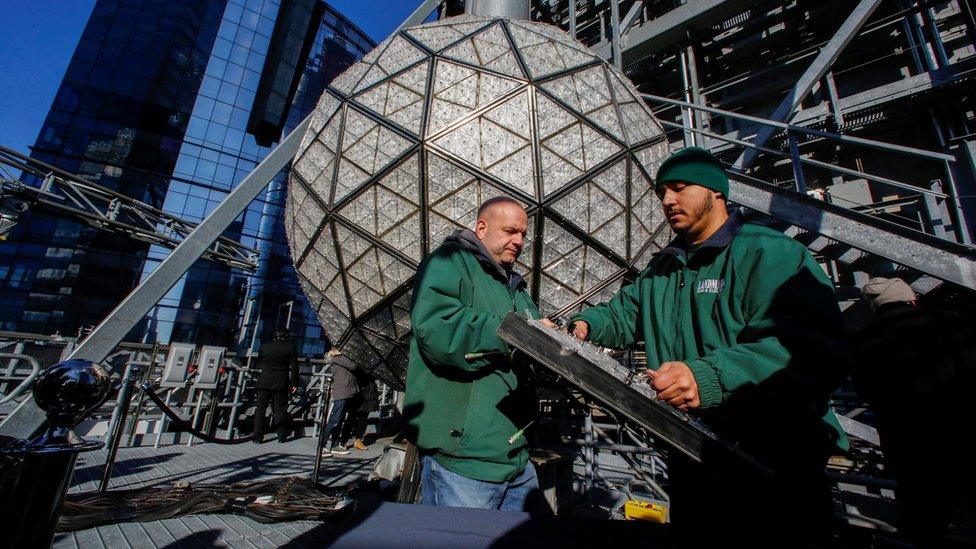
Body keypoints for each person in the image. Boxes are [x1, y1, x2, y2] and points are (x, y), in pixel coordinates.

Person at [569, 147, 850, 543]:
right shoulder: (662, 270)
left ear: (716, 192)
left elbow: (810, 348)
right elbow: (621, 315)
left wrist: (706, 378)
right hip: (693, 451)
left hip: (774, 460)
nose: (667, 200)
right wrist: (581, 324)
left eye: (680, 188)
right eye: (663, 191)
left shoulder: (769, 254)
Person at [403, 196, 546, 511]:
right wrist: (517, 334)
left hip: (517, 459)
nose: (519, 241)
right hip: (463, 462)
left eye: (523, 234)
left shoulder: (516, 290)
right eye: (510, 231)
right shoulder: (448, 263)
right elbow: (440, 330)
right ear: (481, 228)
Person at [853, 277, 976, 544]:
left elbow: (864, 389)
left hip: (905, 438)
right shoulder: (946, 321)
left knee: (923, 518)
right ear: (912, 299)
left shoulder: (864, 338)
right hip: (960, 428)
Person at [254, 328, 299, 443]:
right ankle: (281, 436)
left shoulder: (265, 346)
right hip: (281, 382)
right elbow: (294, 368)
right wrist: (294, 383)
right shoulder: (290, 347)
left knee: (260, 410)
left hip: (264, 380)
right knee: (280, 409)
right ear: (286, 335)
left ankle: (257, 437)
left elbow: (259, 360)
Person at [322, 346, 360, 456]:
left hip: (347, 392)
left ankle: (334, 445)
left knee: (339, 420)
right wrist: (339, 354)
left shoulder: (341, 359)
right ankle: (322, 445)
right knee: (334, 420)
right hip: (341, 393)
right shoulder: (337, 358)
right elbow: (353, 366)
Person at [341, 367, 379, 450]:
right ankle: (343, 440)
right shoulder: (357, 363)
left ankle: (358, 439)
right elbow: (355, 371)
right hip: (358, 392)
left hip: (369, 392)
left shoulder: (374, 363)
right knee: (352, 417)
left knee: (364, 418)